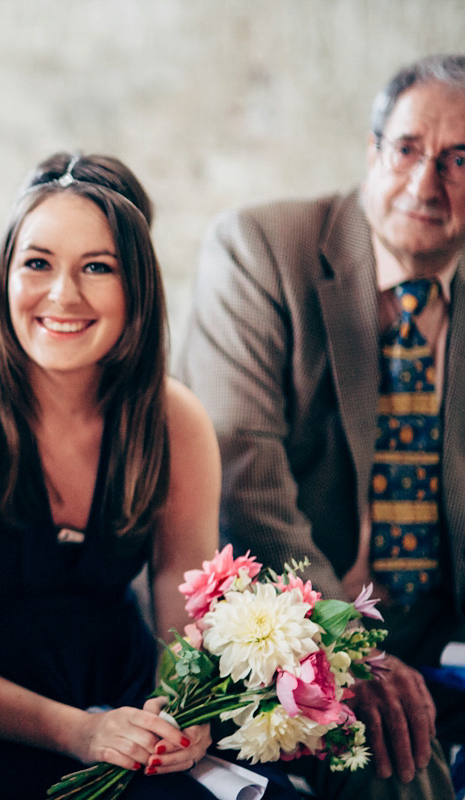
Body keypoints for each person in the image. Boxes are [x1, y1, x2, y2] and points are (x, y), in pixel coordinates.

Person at [177, 54, 465, 799]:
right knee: (401, 770)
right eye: (408, 150)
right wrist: (348, 650)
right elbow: (247, 483)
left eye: (459, 160)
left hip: (441, 634)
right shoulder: (261, 251)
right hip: (297, 626)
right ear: (373, 153)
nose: (427, 183)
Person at [0, 153, 222, 799]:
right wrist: (79, 734)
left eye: (98, 268)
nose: (63, 294)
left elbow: (184, 633)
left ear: (136, 286)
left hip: (124, 698)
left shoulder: (176, 421)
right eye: (38, 262)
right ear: (5, 275)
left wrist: (183, 715)